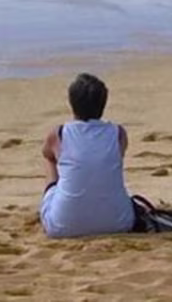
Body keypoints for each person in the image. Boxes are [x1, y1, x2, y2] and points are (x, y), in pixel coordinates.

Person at [40, 73, 136, 238]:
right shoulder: (118, 133)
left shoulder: (60, 133)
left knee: (51, 159)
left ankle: (55, 194)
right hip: (118, 222)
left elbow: (46, 153)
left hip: (62, 226)